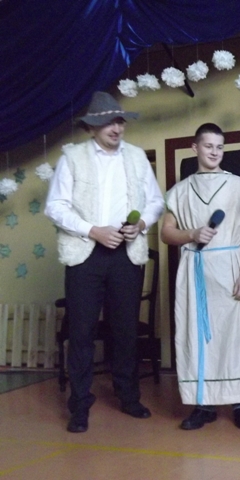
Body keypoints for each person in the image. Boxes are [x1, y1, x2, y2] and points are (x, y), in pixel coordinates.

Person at [45, 91, 164, 433]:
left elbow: (156, 202)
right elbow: (55, 206)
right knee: (81, 331)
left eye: (120, 121)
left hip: (126, 253)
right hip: (85, 255)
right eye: (109, 122)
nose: (117, 128)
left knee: (125, 330)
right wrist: (93, 230)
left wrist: (141, 224)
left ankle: (129, 397)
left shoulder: (137, 157)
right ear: (91, 127)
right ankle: (80, 405)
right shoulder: (72, 157)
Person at [161, 123, 240, 430]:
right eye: (208, 146)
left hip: (230, 267)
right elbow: (166, 233)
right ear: (195, 148)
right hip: (196, 271)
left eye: (219, 147)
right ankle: (203, 404)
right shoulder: (179, 191)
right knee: (197, 336)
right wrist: (192, 233)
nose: (215, 152)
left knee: (236, 336)